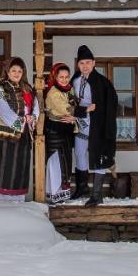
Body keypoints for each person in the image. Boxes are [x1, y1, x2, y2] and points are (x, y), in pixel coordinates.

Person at [0, 56, 38, 202]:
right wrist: (21, 122)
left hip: (23, 135)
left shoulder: (28, 89)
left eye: (19, 71)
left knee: (21, 166)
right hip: (6, 134)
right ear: (8, 72)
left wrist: (32, 118)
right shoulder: (0, 89)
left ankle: (18, 197)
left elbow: (35, 107)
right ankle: (0, 198)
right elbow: (3, 109)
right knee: (4, 165)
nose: (16, 73)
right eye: (13, 70)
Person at [73, 45, 118, 206]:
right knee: (79, 153)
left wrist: (105, 125)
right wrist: (82, 110)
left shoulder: (103, 83)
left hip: (98, 126)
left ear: (94, 63)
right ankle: (82, 188)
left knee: (98, 157)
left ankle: (97, 195)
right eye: (81, 63)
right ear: (78, 65)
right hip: (80, 124)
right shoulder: (75, 81)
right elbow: (69, 104)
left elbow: (111, 105)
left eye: (88, 62)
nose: (85, 66)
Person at [43, 63, 78, 204]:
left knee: (65, 162)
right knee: (56, 162)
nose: (64, 79)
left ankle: (62, 194)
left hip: (66, 132)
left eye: (66, 77)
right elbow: (67, 110)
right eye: (61, 77)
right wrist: (78, 111)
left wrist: (75, 112)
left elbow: (75, 105)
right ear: (55, 77)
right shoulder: (53, 93)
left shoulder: (68, 90)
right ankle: (55, 194)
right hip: (55, 131)